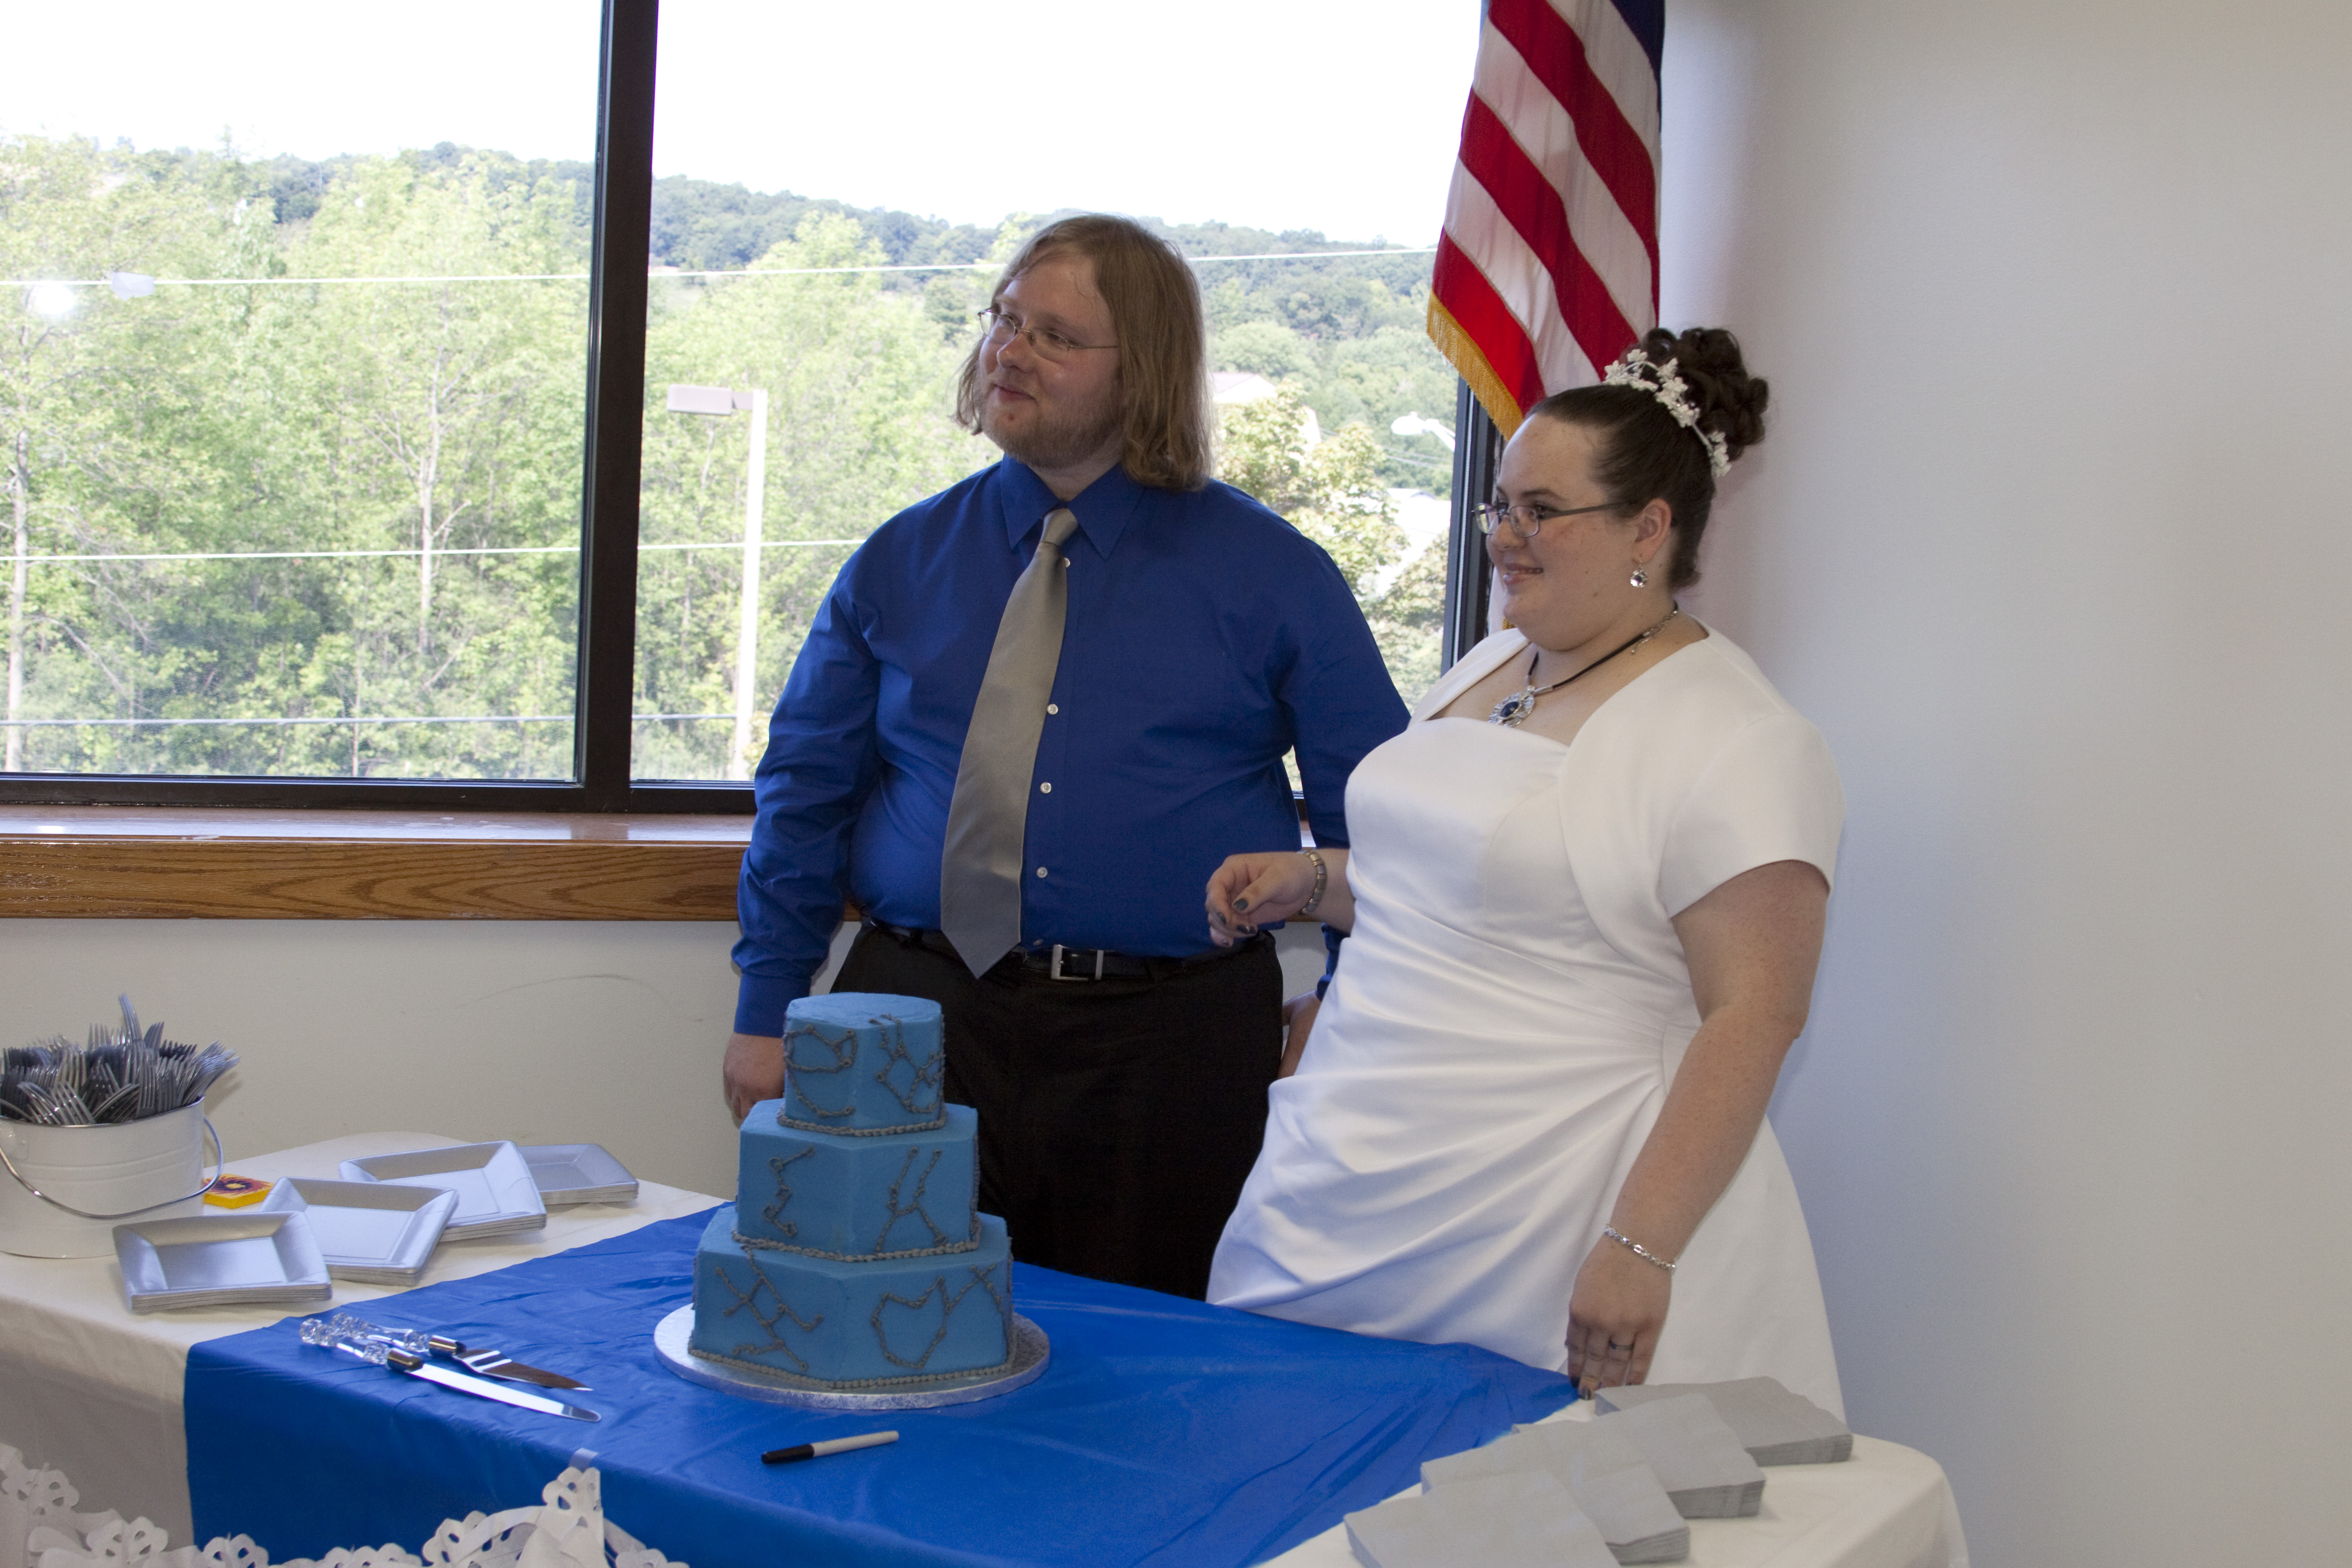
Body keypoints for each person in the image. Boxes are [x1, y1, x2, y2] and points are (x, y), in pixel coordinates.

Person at [724, 214, 1408, 1301]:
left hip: (1168, 1048)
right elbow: (805, 797)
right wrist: (766, 1010)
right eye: (1004, 319)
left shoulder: (1274, 577)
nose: (1010, 350)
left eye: (1055, 335)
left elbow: (1382, 831)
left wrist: (1339, 1005)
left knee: (1142, 1366)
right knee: (879, 1331)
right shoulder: (902, 559)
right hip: (912, 1019)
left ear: (1144, 371)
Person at [1202, 328, 1848, 1414]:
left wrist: (1639, 1246)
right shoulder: (1502, 659)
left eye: (1542, 511)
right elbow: (1475, 891)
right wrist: (1311, 883)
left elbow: (1759, 1013)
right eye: (1501, 506)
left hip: (1556, 1197)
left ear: (1649, 527)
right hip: (1355, 1154)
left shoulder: (1740, 736)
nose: (1505, 536)